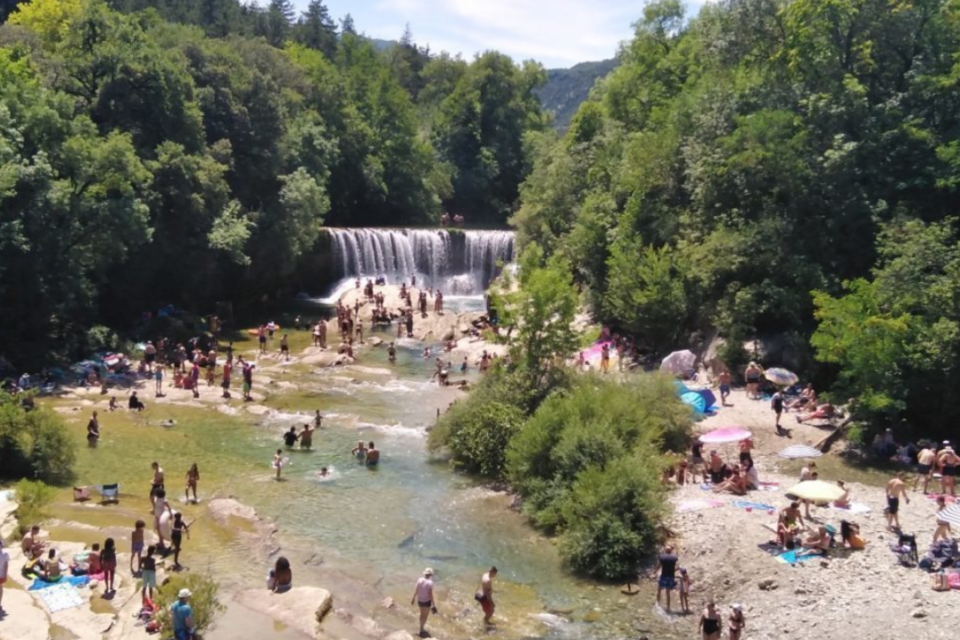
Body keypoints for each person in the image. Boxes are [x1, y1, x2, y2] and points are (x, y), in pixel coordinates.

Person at [412, 567, 438, 637]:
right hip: (426, 602)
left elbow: (417, 589)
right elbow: (430, 594)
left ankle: (421, 628)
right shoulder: (430, 583)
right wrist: (434, 604)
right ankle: (422, 629)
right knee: (425, 616)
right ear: (430, 575)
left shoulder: (419, 580)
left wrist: (413, 598)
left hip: (420, 601)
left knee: (421, 614)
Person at [654, 545, 678, 611]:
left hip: (664, 576)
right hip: (671, 577)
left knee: (659, 590)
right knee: (668, 593)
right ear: (671, 551)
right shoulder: (674, 558)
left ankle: (657, 604)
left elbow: (658, 565)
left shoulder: (662, 557)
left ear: (665, 550)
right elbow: (677, 567)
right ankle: (668, 607)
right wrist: (673, 570)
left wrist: (655, 571)